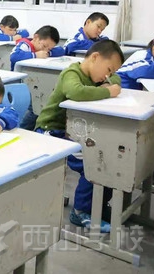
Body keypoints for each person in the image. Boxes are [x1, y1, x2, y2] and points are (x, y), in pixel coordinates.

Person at [35, 40, 124, 233]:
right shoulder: (72, 73)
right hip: (52, 132)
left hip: (75, 132)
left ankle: (98, 206)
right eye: (108, 69)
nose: (108, 76)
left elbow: (117, 79)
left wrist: (110, 80)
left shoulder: (97, 77)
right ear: (95, 58)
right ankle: (81, 211)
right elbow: (75, 92)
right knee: (92, 164)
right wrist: (107, 91)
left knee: (107, 159)